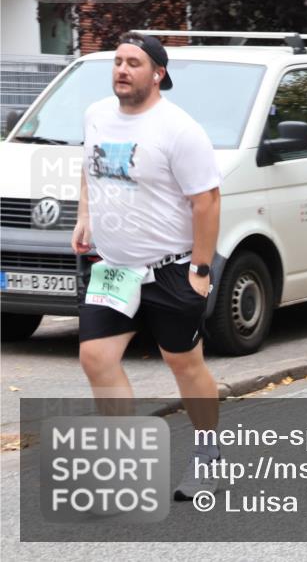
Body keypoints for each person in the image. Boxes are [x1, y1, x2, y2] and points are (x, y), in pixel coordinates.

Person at [70, 32, 223, 501]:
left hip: (172, 268)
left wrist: (200, 267)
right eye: (117, 61)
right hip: (114, 266)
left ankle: (209, 453)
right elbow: (90, 166)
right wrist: (85, 214)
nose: (121, 70)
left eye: (133, 63)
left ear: (157, 73)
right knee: (96, 358)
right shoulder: (97, 115)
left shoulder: (179, 129)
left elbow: (207, 200)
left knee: (184, 363)